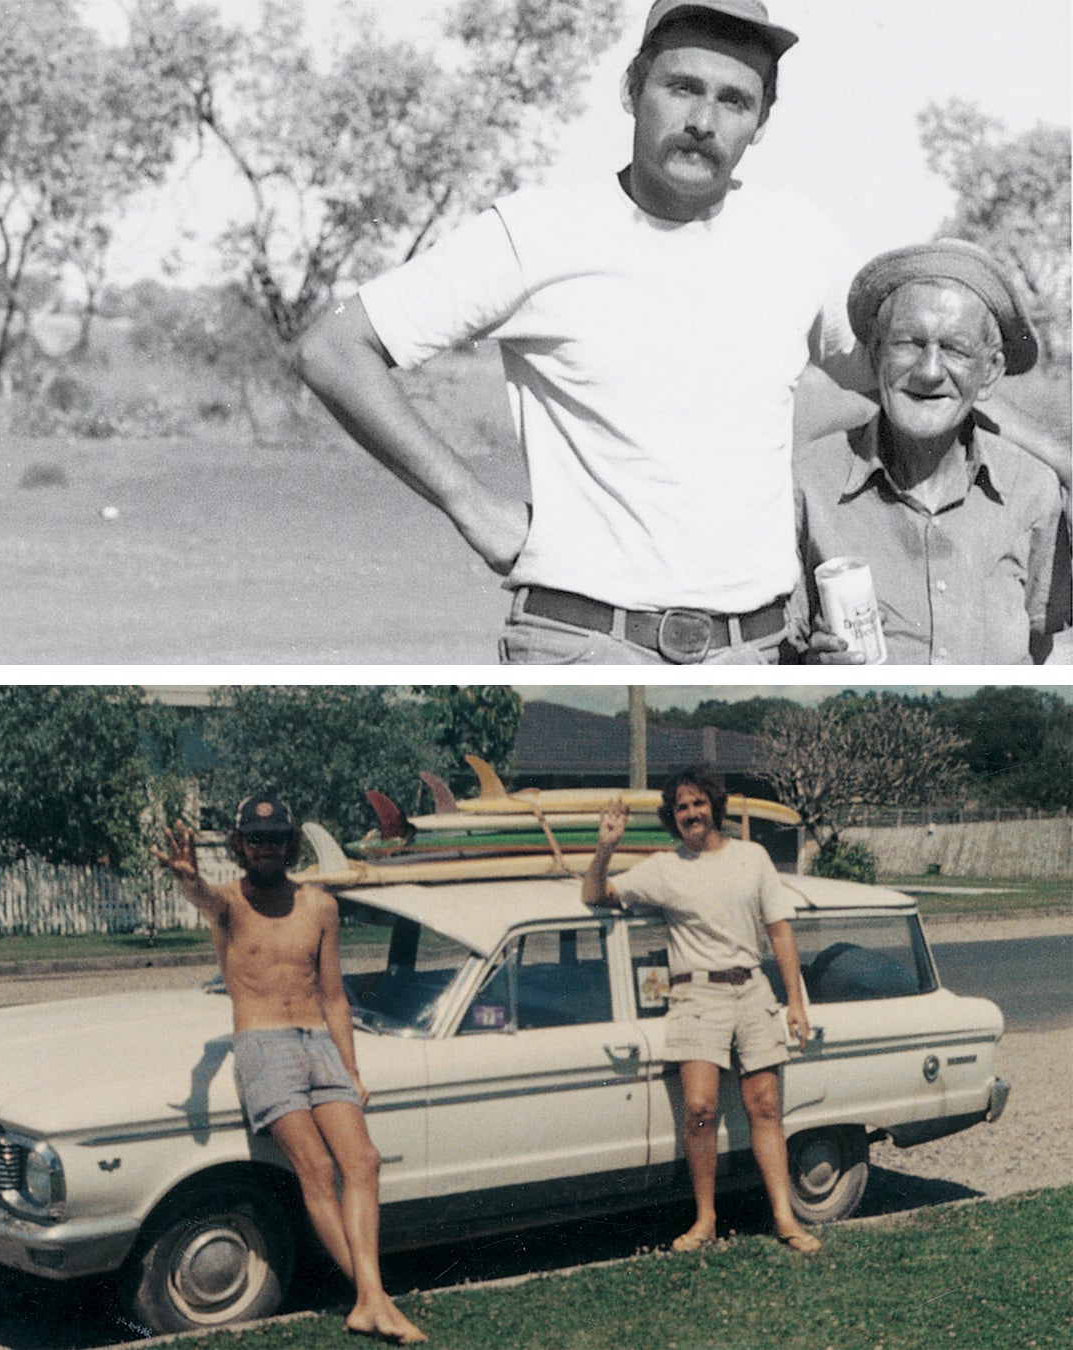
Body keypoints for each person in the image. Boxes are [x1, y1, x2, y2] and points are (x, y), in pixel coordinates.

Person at [297, 0, 866, 664]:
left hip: (762, 649)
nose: (703, 122)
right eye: (682, 87)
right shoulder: (539, 231)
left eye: (735, 101)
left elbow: (912, 378)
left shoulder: (799, 239)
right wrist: (470, 504)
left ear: (761, 122)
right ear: (632, 88)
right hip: (584, 643)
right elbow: (333, 349)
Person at [156, 798, 426, 1344]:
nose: (266, 848)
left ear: (289, 844)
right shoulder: (228, 903)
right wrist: (189, 879)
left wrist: (351, 1069)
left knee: (364, 1161)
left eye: (275, 838)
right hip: (263, 1044)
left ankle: (370, 1301)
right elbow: (203, 898)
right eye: (255, 839)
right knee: (317, 1169)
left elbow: (334, 996)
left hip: (319, 1043)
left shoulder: (319, 906)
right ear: (240, 845)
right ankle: (373, 1299)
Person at [582, 766, 821, 1254]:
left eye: (697, 803)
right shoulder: (663, 868)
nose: (690, 813)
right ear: (673, 818)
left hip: (752, 989)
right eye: (681, 808)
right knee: (699, 1110)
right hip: (695, 995)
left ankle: (785, 1219)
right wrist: (606, 845)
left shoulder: (752, 858)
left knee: (765, 1106)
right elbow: (594, 895)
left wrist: (795, 1002)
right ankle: (705, 1220)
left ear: (714, 805)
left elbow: (779, 931)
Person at [796, 239, 1065, 664]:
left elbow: (1041, 642)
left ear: (991, 372)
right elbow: (780, 646)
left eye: (955, 349)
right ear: (874, 356)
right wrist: (813, 667)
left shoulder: (1033, 490)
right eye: (907, 343)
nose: (929, 371)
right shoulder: (809, 482)